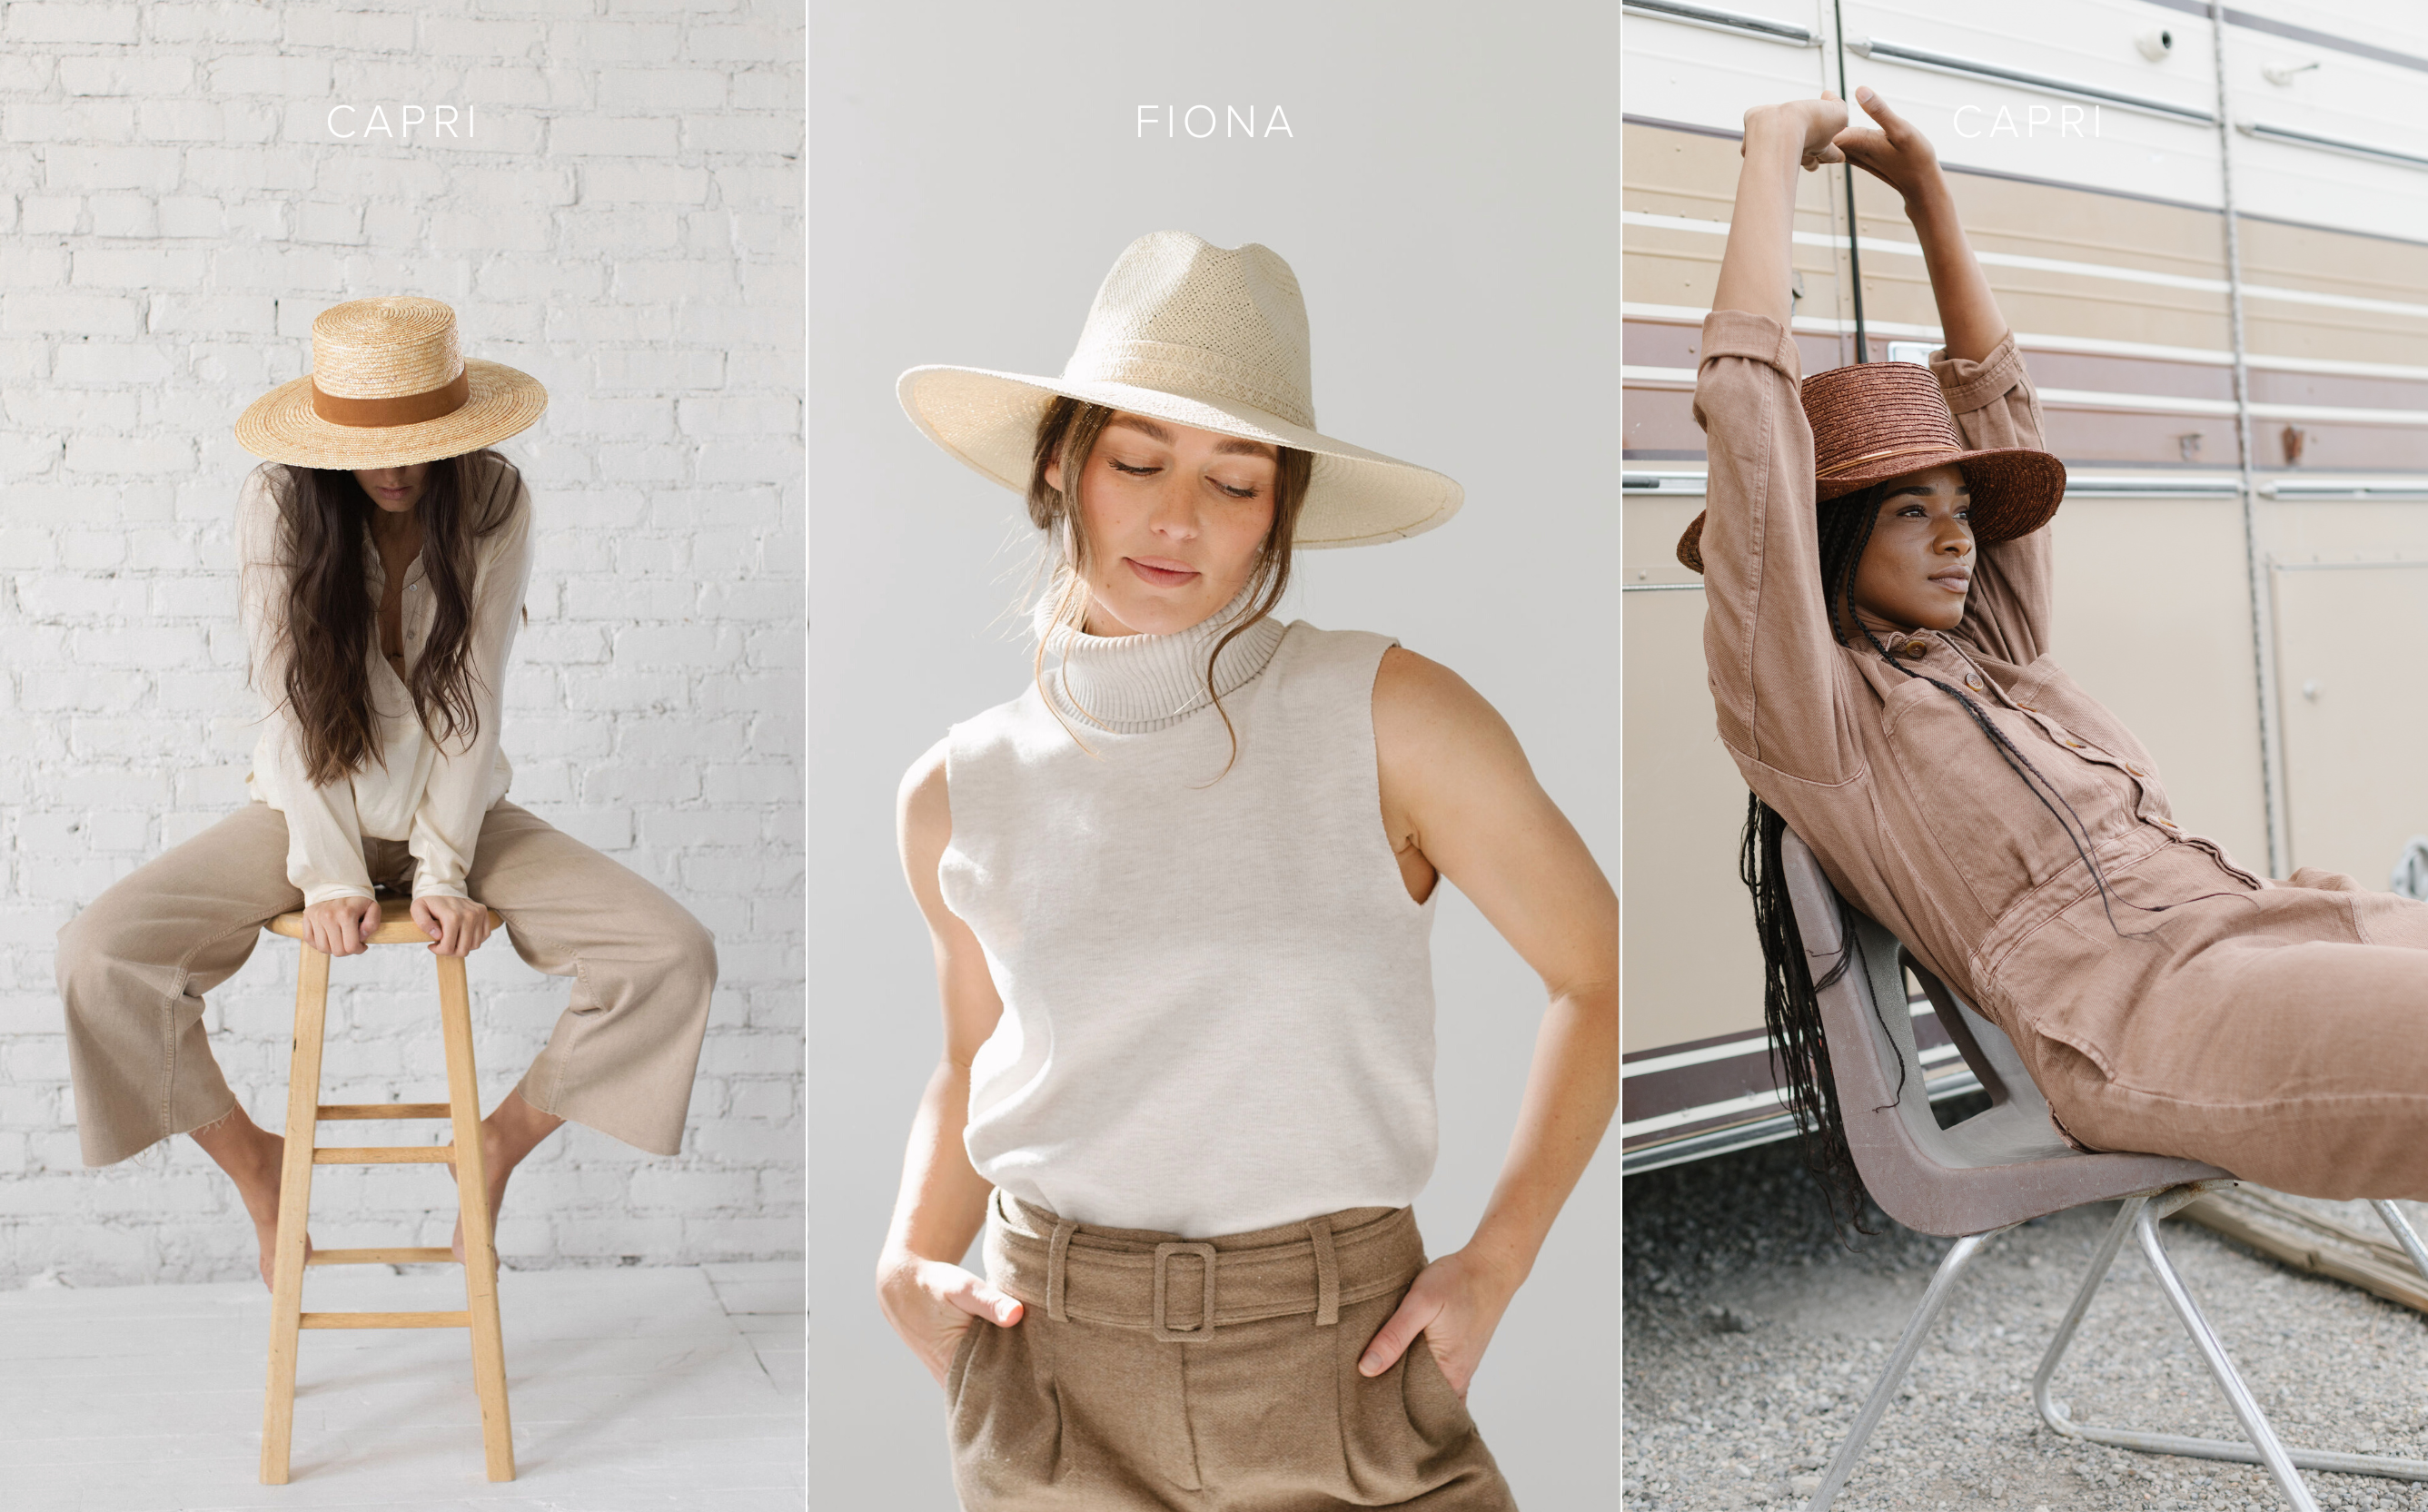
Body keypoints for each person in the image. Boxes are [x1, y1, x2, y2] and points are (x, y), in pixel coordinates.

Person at [876, 231, 1618, 1508]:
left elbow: (1597, 973)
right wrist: (905, 1255)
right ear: (1064, 465)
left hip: (1341, 1355)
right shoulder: (957, 789)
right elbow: (970, 1055)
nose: (1176, 519)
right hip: (1048, 1361)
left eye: (1236, 481)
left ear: (1281, 507)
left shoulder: (1391, 714)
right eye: (1137, 461)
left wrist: (1498, 1258)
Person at [1683, 88, 2428, 1226]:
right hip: (2148, 1015)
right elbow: (1752, 443)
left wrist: (1930, 195)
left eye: (1960, 508)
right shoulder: (1818, 717)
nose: (1955, 535)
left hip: (2263, 921)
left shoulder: (1994, 652)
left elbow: (1998, 407)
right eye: (1905, 512)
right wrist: (1772, 154)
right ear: (1830, 536)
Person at [55, 296, 718, 1285]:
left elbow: (474, 701)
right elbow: (291, 709)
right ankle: (260, 1167)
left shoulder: (492, 499)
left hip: (453, 819)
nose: (399, 468)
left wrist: (445, 871)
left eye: (421, 443)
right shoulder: (279, 503)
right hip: (305, 818)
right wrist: (327, 879)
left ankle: (492, 1150)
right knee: (99, 954)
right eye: (376, 447)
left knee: (672, 953)